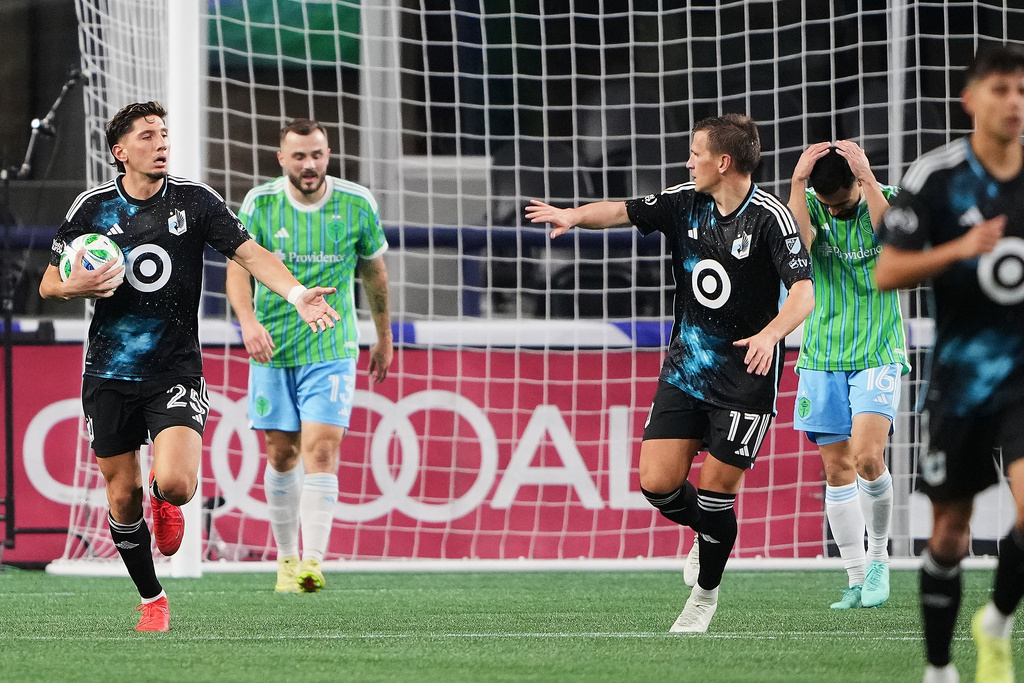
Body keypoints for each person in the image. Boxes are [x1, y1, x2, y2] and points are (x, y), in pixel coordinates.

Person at [39, 102, 340, 632]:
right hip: (108, 372)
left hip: (175, 369)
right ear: (120, 150)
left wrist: (295, 294)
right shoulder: (91, 208)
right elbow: (48, 282)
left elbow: (250, 254)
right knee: (121, 494)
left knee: (176, 484)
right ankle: (152, 598)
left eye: (164, 135)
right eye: (148, 136)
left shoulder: (196, 202)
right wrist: (73, 285)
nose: (161, 143)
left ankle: (166, 501)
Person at [527, 113, 814, 633]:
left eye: (695, 152)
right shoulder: (685, 200)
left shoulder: (772, 217)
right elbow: (620, 211)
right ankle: (709, 536)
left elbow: (803, 294)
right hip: (686, 370)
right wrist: (572, 214)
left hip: (746, 376)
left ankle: (704, 598)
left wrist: (771, 335)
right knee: (657, 485)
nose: (688, 160)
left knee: (716, 488)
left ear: (722, 162)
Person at [876, 44, 1024, 683]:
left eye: (1021, 90)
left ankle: (997, 618)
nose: (1014, 102)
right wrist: (961, 247)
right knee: (950, 536)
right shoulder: (935, 177)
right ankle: (940, 668)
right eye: (1000, 90)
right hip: (961, 382)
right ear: (971, 100)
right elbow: (886, 272)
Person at [225, 119, 392, 594]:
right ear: (282, 160)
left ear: (328, 154)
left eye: (317, 154)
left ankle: (312, 562)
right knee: (282, 454)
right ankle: (285, 557)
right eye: (299, 156)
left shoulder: (356, 204)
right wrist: (248, 322)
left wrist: (384, 337)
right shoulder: (260, 203)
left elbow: (374, 275)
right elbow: (238, 270)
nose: (310, 164)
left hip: (331, 346)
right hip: (273, 345)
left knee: (321, 449)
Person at [788, 141, 908, 610]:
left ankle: (879, 561)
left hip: (877, 350)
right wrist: (798, 183)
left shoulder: (888, 199)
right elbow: (798, 248)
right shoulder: (811, 206)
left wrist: (872, 181)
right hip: (821, 353)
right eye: (830, 204)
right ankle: (856, 578)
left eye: (844, 202)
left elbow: (897, 240)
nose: (837, 212)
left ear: (860, 182)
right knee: (836, 470)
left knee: (867, 458)